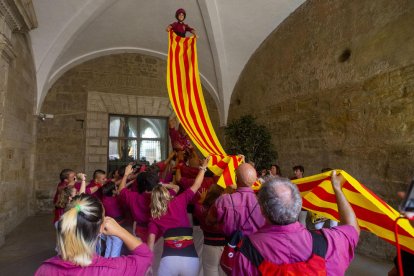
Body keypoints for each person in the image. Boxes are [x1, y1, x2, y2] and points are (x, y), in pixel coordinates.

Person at [233, 171, 360, 276]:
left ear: (262, 209)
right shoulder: (330, 243)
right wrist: (337, 189)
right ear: (299, 206)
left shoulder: (247, 251)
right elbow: (352, 228)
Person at [35, 194, 153, 275]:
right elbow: (145, 256)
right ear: (101, 228)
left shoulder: (44, 270)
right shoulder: (111, 269)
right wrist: (120, 230)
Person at [147, 156, 210, 276]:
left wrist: (148, 265)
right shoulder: (179, 200)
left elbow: (150, 244)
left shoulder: (154, 218)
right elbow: (196, 185)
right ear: (166, 193)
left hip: (168, 261)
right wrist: (203, 168)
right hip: (190, 259)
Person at [207, 163, 266, 238]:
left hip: (228, 244)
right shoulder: (264, 203)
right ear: (255, 181)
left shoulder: (224, 200)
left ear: (236, 179)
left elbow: (209, 221)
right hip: (254, 246)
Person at [194, 184, 227, 276]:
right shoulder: (226, 210)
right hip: (225, 246)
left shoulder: (204, 210)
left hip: (210, 246)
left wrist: (200, 201)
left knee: (210, 271)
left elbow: (197, 210)